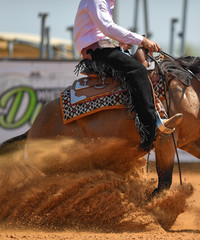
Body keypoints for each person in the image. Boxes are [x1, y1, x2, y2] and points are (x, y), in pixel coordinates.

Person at [73, 0, 182, 151]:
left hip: (100, 47)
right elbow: (107, 27)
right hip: (96, 51)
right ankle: (150, 129)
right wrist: (142, 40)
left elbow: (99, 31)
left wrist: (120, 44)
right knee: (137, 71)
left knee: (143, 66)